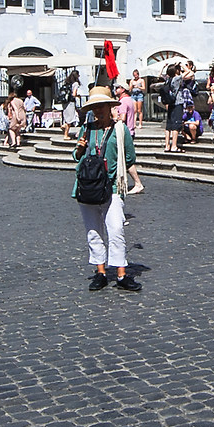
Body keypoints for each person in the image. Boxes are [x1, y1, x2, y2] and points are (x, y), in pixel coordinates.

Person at [71, 87, 139, 293]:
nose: (98, 111)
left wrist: (112, 168)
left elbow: (129, 157)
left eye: (101, 106)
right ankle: (100, 272)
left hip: (112, 186)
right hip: (88, 186)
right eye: (94, 108)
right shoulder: (87, 129)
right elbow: (76, 156)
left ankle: (121, 273)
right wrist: (80, 149)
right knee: (93, 230)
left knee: (116, 229)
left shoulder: (121, 129)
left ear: (110, 107)